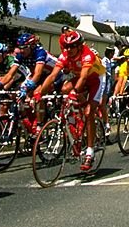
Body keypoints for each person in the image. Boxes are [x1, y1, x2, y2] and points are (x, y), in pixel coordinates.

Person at [34, 31, 106, 171]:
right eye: (66, 46)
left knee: (89, 111)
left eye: (72, 46)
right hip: (80, 78)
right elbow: (53, 75)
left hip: (96, 79)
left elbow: (84, 78)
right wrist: (40, 93)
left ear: (79, 46)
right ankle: (76, 117)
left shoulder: (87, 55)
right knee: (64, 89)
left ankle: (90, 152)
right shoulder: (65, 55)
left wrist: (75, 92)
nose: (68, 50)